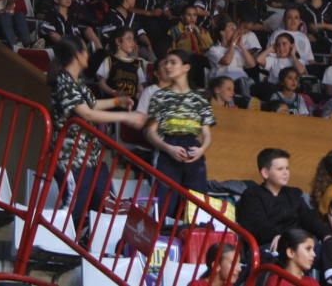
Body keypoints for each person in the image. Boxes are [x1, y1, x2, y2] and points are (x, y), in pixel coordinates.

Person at [47, 38, 145, 227]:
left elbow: (92, 104)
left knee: (101, 204)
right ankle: (61, 243)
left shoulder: (77, 81)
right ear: (78, 55)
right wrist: (125, 117)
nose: (89, 56)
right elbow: (86, 112)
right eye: (86, 52)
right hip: (71, 158)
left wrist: (118, 102)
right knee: (74, 207)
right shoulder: (63, 82)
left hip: (89, 156)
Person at [144, 50, 215, 210]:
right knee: (164, 202)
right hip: (169, 145)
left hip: (193, 148)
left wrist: (201, 150)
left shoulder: (200, 98)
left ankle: (192, 233)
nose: (168, 66)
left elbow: (206, 134)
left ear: (186, 67)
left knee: (197, 202)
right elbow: (150, 132)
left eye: (173, 62)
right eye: (166, 63)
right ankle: (162, 233)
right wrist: (168, 148)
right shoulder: (159, 96)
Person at [236, 148, 331, 249]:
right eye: (280, 169)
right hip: (269, 244)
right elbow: (259, 226)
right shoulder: (252, 195)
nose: (286, 173)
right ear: (265, 173)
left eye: (287, 168)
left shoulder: (293, 194)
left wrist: (326, 235)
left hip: (297, 243)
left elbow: (309, 218)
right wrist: (281, 238)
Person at [96, 27, 148, 101]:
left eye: (133, 39)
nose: (132, 42)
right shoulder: (110, 60)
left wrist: (142, 96)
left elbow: (139, 86)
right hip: (113, 103)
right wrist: (114, 92)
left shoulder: (136, 63)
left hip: (131, 104)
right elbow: (101, 83)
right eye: (129, 39)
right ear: (118, 41)